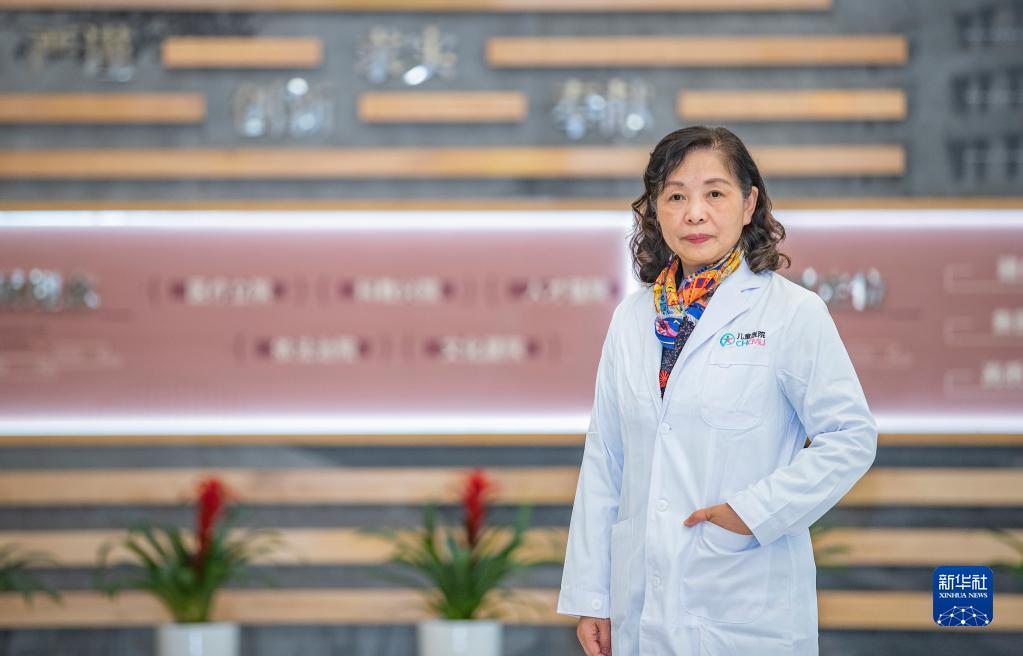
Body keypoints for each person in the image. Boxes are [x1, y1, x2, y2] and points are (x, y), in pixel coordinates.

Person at [557, 126, 877, 655]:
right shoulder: (632, 319)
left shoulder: (792, 313)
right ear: (654, 210)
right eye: (675, 196)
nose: (694, 213)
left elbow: (850, 437)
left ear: (749, 204)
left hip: (744, 601)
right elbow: (606, 459)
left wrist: (752, 513)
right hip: (640, 600)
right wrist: (595, 596)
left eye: (714, 193)